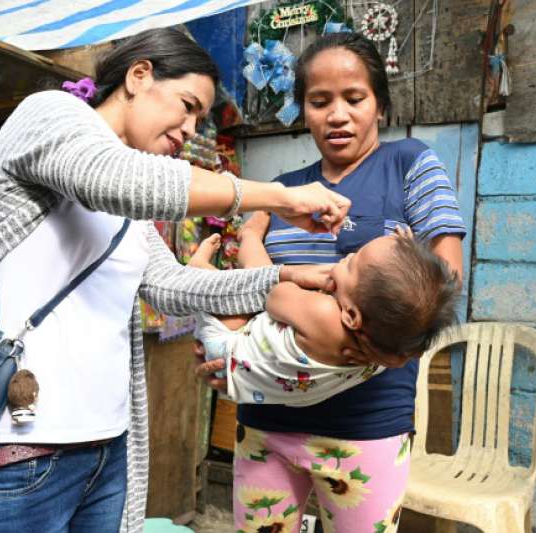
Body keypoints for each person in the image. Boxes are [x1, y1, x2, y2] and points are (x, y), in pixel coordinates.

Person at [0, 28, 351, 533]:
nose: (190, 127)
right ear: (139, 76)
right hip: (16, 453)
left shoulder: (133, 201)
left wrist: (281, 277)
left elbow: (169, 286)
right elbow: (118, 179)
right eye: (187, 104)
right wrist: (280, 197)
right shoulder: (50, 117)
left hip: (106, 452)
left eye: (200, 117)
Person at [195, 33, 466, 533]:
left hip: (364, 427)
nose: (337, 115)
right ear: (304, 111)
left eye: (354, 98)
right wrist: (232, 356)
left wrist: (357, 337)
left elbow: (444, 277)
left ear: (380, 106)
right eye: (319, 102)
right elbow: (256, 287)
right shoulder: (286, 190)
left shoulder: (408, 164)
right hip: (267, 418)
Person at [190, 228, 460, 407]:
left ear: (352, 315)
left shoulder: (325, 316)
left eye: (351, 265)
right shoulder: (387, 350)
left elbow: (271, 292)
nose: (347, 256)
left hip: (227, 350)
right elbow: (414, 310)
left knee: (254, 278)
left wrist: (307, 280)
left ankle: (208, 262)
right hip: (252, 384)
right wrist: (407, 259)